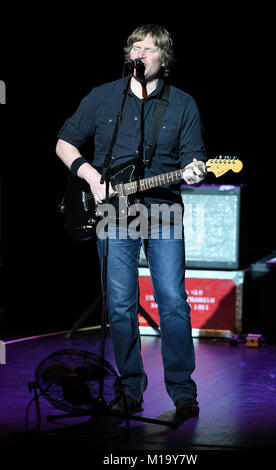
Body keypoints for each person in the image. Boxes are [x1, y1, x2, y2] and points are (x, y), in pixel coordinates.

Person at [56, 24, 207, 421]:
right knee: (120, 305)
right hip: (112, 212)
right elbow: (64, 142)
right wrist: (91, 176)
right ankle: (129, 389)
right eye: (135, 48)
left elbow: (195, 159)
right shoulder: (104, 97)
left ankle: (183, 393)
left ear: (164, 58)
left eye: (150, 49)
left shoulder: (183, 104)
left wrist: (195, 171)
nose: (141, 54)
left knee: (173, 302)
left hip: (162, 209)